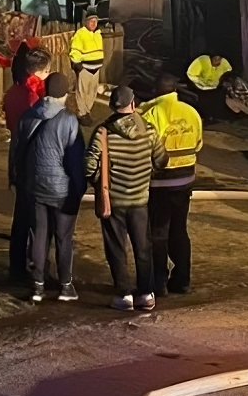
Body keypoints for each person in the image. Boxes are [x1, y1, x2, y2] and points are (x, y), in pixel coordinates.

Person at [86, 85, 167, 311]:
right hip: (140, 200)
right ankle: (146, 293)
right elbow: (161, 160)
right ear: (133, 104)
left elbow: (89, 165)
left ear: (112, 106)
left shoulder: (103, 132)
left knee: (116, 247)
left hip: (113, 201)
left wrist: (99, 181)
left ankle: (124, 294)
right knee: (143, 247)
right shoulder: (149, 129)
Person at [11, 74, 84, 302]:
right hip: (62, 189)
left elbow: (17, 150)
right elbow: (75, 160)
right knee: (64, 238)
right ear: (65, 94)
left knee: (39, 235)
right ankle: (66, 286)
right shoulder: (69, 120)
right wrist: (79, 188)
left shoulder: (28, 116)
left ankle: (38, 286)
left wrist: (18, 178)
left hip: (35, 186)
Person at [141, 74, 203, 296]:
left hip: (160, 182)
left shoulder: (151, 114)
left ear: (156, 91)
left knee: (158, 232)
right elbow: (198, 144)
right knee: (179, 229)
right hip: (184, 181)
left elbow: (145, 148)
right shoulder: (192, 112)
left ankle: (158, 282)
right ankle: (182, 280)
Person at [4, 48, 52, 282]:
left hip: (16, 154)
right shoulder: (35, 97)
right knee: (38, 219)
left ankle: (16, 266)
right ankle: (38, 266)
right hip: (33, 158)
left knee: (21, 216)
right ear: (42, 72)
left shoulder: (13, 92)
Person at [68, 10, 105, 119]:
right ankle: (82, 113)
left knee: (92, 92)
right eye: (91, 21)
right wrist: (77, 64)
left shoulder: (98, 35)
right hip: (85, 69)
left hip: (96, 70)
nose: (94, 24)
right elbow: (75, 50)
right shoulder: (80, 34)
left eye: (95, 21)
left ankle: (87, 111)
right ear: (86, 22)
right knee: (82, 92)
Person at [186, 53, 232, 121]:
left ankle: (215, 117)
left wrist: (222, 80)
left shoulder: (224, 63)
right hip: (200, 86)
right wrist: (200, 82)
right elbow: (191, 74)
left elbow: (228, 72)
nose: (217, 60)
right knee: (203, 100)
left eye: (219, 58)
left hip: (215, 87)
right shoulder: (202, 60)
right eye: (215, 58)